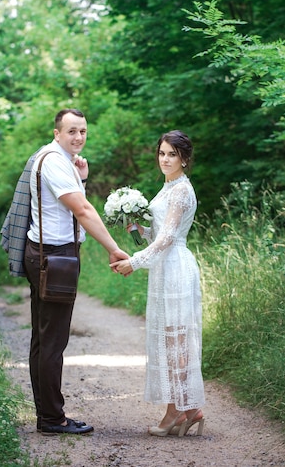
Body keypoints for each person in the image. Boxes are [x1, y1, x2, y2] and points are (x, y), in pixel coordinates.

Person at [24, 108, 130, 436]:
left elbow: (62, 202)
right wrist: (113, 248)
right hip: (54, 257)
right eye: (71, 131)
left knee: (44, 340)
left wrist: (81, 179)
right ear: (57, 133)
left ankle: (47, 415)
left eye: (83, 131)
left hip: (46, 254)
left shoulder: (54, 158)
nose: (79, 137)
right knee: (52, 341)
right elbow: (82, 209)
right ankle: (53, 419)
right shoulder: (55, 162)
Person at [114, 130, 205, 437]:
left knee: (177, 341)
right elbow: (158, 234)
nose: (165, 159)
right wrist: (138, 228)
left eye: (172, 155)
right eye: (162, 153)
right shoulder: (167, 187)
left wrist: (134, 261)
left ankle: (175, 412)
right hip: (164, 268)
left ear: (185, 159)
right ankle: (190, 409)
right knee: (170, 340)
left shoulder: (181, 190)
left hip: (176, 267)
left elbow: (168, 239)